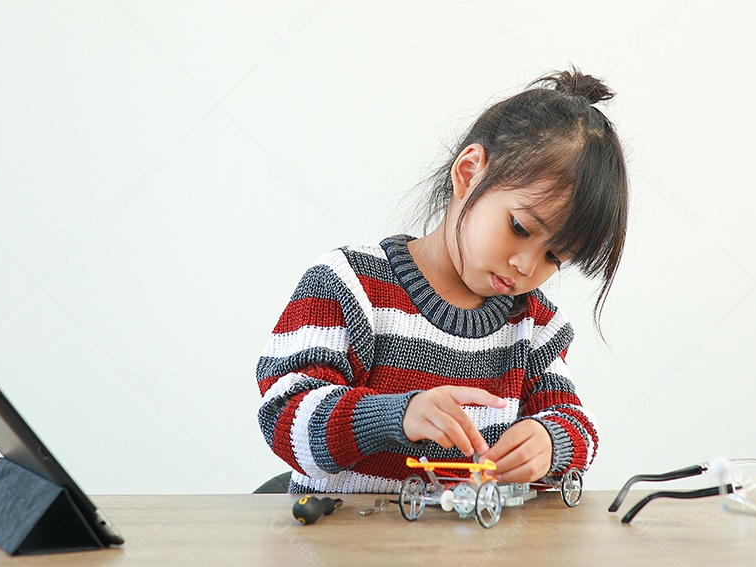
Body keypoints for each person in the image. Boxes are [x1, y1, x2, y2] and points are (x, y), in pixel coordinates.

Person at [257, 65, 627, 493]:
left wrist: (549, 442)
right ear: (469, 174)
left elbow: (576, 422)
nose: (528, 266)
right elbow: (284, 417)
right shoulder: (349, 286)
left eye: (554, 257)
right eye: (520, 229)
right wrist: (397, 415)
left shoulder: (534, 325)